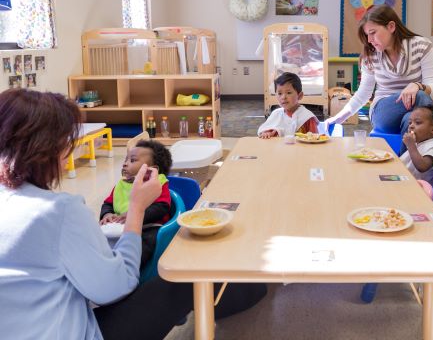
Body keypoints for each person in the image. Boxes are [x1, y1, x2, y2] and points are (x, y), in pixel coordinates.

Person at [0, 89, 266, 340]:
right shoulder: (59, 210)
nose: (67, 155)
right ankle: (256, 287)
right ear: (47, 150)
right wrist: (136, 209)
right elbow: (116, 287)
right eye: (65, 147)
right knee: (180, 278)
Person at [325, 4, 433, 193]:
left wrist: (417, 85)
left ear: (391, 27)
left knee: (410, 117)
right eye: (367, 35)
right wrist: (338, 117)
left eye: (373, 33)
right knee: (421, 99)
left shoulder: (421, 46)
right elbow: (363, 94)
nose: (370, 41)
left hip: (414, 114)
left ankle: (405, 179)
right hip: (384, 111)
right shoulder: (371, 55)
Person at [100, 140, 172, 270]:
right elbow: (108, 204)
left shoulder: (158, 183)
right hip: (120, 227)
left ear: (151, 169)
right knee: (97, 239)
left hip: (149, 227)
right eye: (126, 159)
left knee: (148, 242)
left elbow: (162, 207)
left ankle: (129, 268)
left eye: (132, 160)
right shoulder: (121, 185)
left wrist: (134, 215)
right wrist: (107, 214)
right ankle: (106, 265)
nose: (125, 163)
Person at [258, 72, 319, 138]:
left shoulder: (307, 117)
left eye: (288, 93)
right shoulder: (276, 114)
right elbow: (265, 130)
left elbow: (315, 140)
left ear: (300, 96)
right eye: (280, 93)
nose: (283, 97)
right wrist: (266, 133)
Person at [400, 105, 433, 185]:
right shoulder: (418, 143)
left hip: (418, 189)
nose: (411, 126)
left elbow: (422, 167)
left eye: (417, 122)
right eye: (410, 122)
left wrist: (411, 145)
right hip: (404, 180)